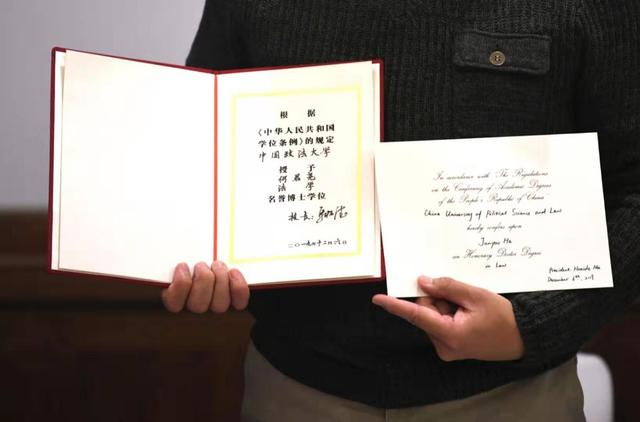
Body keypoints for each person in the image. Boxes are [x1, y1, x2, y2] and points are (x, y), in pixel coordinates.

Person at [163, 1, 640, 420]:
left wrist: (532, 327)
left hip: (512, 397)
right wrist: (192, 254)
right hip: (295, 389)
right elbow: (202, 152)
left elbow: (633, 189)